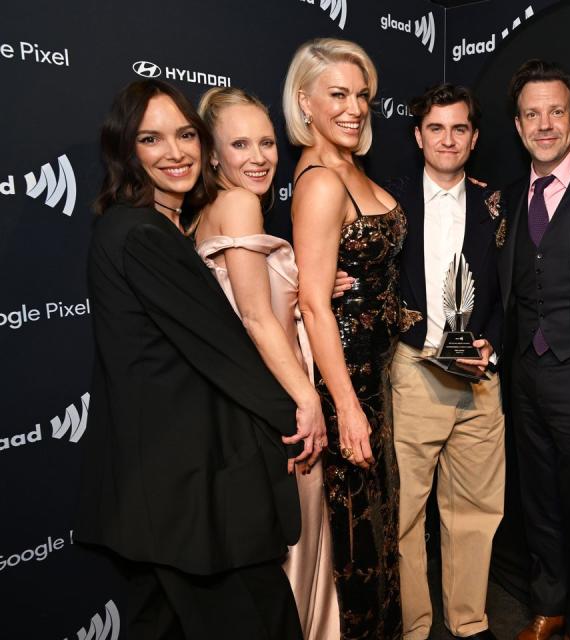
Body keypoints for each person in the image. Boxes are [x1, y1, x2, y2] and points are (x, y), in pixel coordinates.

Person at [77, 79, 314, 639]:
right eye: (152, 139)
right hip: (190, 496)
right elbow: (225, 349)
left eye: (185, 134)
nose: (176, 151)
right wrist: (299, 410)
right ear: (126, 150)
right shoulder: (142, 236)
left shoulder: (143, 229)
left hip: (164, 495)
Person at [190, 87, 339, 640]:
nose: (259, 156)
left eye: (268, 142)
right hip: (279, 408)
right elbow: (255, 320)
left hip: (248, 410)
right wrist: (309, 400)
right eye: (240, 144)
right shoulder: (240, 203)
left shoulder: (205, 210)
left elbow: (248, 299)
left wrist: (303, 281)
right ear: (212, 153)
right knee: (294, 553)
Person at [283, 37, 404, 639]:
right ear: (304, 101)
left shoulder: (349, 167)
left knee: (381, 536)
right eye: (338, 94)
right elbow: (312, 302)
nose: (355, 107)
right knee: (358, 542)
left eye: (362, 95)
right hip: (346, 381)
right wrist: (348, 408)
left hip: (375, 378)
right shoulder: (322, 182)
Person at [498, 59, 570, 640]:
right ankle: (551, 602)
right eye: (531, 114)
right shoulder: (504, 196)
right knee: (538, 498)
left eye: (555, 112)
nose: (544, 124)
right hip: (524, 374)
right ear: (519, 127)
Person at [389, 83, 504, 640]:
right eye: (436, 128)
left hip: (480, 374)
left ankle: (470, 623)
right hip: (417, 367)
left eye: (459, 128)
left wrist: (492, 346)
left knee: (476, 509)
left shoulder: (496, 204)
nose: (448, 139)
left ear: (474, 137)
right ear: (418, 135)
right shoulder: (389, 201)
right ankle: (414, 626)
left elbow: (514, 293)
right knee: (408, 513)